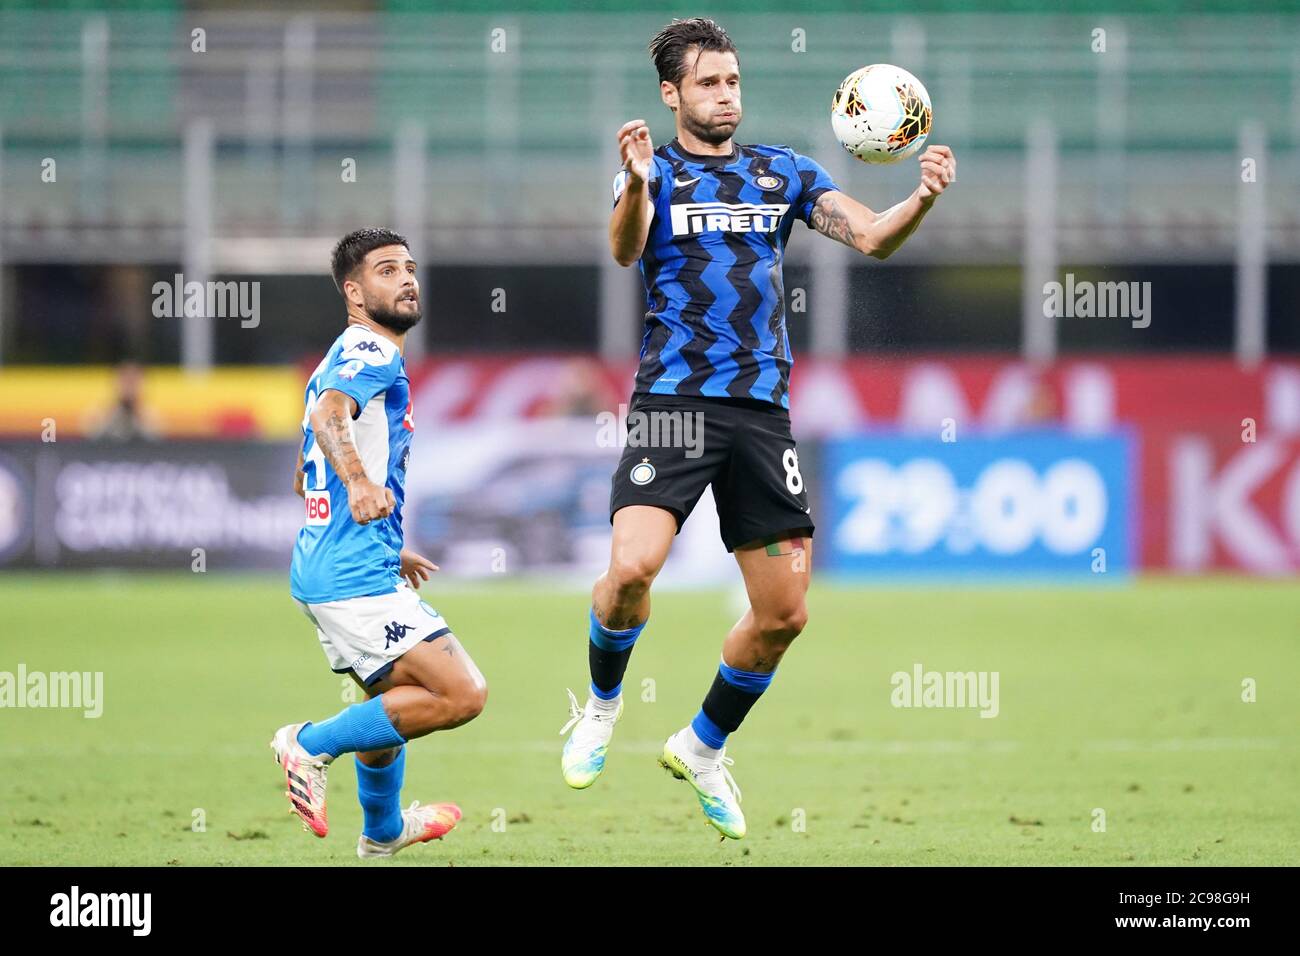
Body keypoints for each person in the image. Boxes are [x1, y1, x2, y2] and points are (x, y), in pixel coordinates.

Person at [561, 18, 956, 839]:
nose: (725, 95)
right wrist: (635, 180)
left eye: (733, 81)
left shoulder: (784, 173)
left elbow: (874, 238)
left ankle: (702, 746)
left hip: (760, 414)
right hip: (672, 404)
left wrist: (919, 195)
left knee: (784, 614)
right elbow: (625, 250)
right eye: (708, 83)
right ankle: (601, 706)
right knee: (632, 567)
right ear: (672, 94)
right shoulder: (651, 170)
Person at [271, 228, 488, 858]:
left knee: (392, 705)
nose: (408, 279)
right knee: (461, 694)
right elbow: (327, 415)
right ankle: (307, 745)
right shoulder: (370, 352)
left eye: (411, 268)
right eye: (388, 270)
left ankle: (384, 831)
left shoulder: (341, 354)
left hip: (342, 564)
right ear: (354, 291)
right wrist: (361, 480)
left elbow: (303, 468)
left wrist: (388, 543)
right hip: (350, 578)